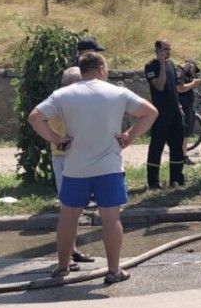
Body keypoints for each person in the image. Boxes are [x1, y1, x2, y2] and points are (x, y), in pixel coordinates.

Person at [29, 52, 157, 284]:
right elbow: (150, 112)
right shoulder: (117, 92)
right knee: (111, 218)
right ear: (101, 69)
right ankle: (114, 270)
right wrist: (129, 136)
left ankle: (62, 266)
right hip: (109, 167)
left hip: (75, 167)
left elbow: (35, 117)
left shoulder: (63, 95)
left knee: (68, 217)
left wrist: (57, 138)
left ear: (82, 70)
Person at [47, 66, 94, 269]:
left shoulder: (69, 100)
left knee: (75, 207)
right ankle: (67, 255)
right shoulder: (61, 101)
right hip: (64, 158)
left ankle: (72, 251)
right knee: (69, 208)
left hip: (75, 157)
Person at [144, 39, 201, 188]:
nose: (168, 52)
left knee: (177, 146)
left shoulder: (171, 65)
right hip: (160, 114)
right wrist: (162, 64)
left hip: (175, 113)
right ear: (157, 50)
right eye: (165, 49)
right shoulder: (150, 66)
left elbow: (177, 87)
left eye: (169, 49)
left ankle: (176, 179)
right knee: (156, 147)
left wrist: (180, 107)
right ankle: (153, 182)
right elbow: (160, 86)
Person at [178, 59, 201, 165]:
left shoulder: (186, 73)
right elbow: (180, 88)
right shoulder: (180, 72)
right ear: (190, 64)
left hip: (187, 106)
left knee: (186, 133)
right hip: (182, 106)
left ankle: (184, 156)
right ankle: (181, 157)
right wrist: (193, 83)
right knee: (183, 133)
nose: (194, 73)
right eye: (193, 69)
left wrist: (195, 83)